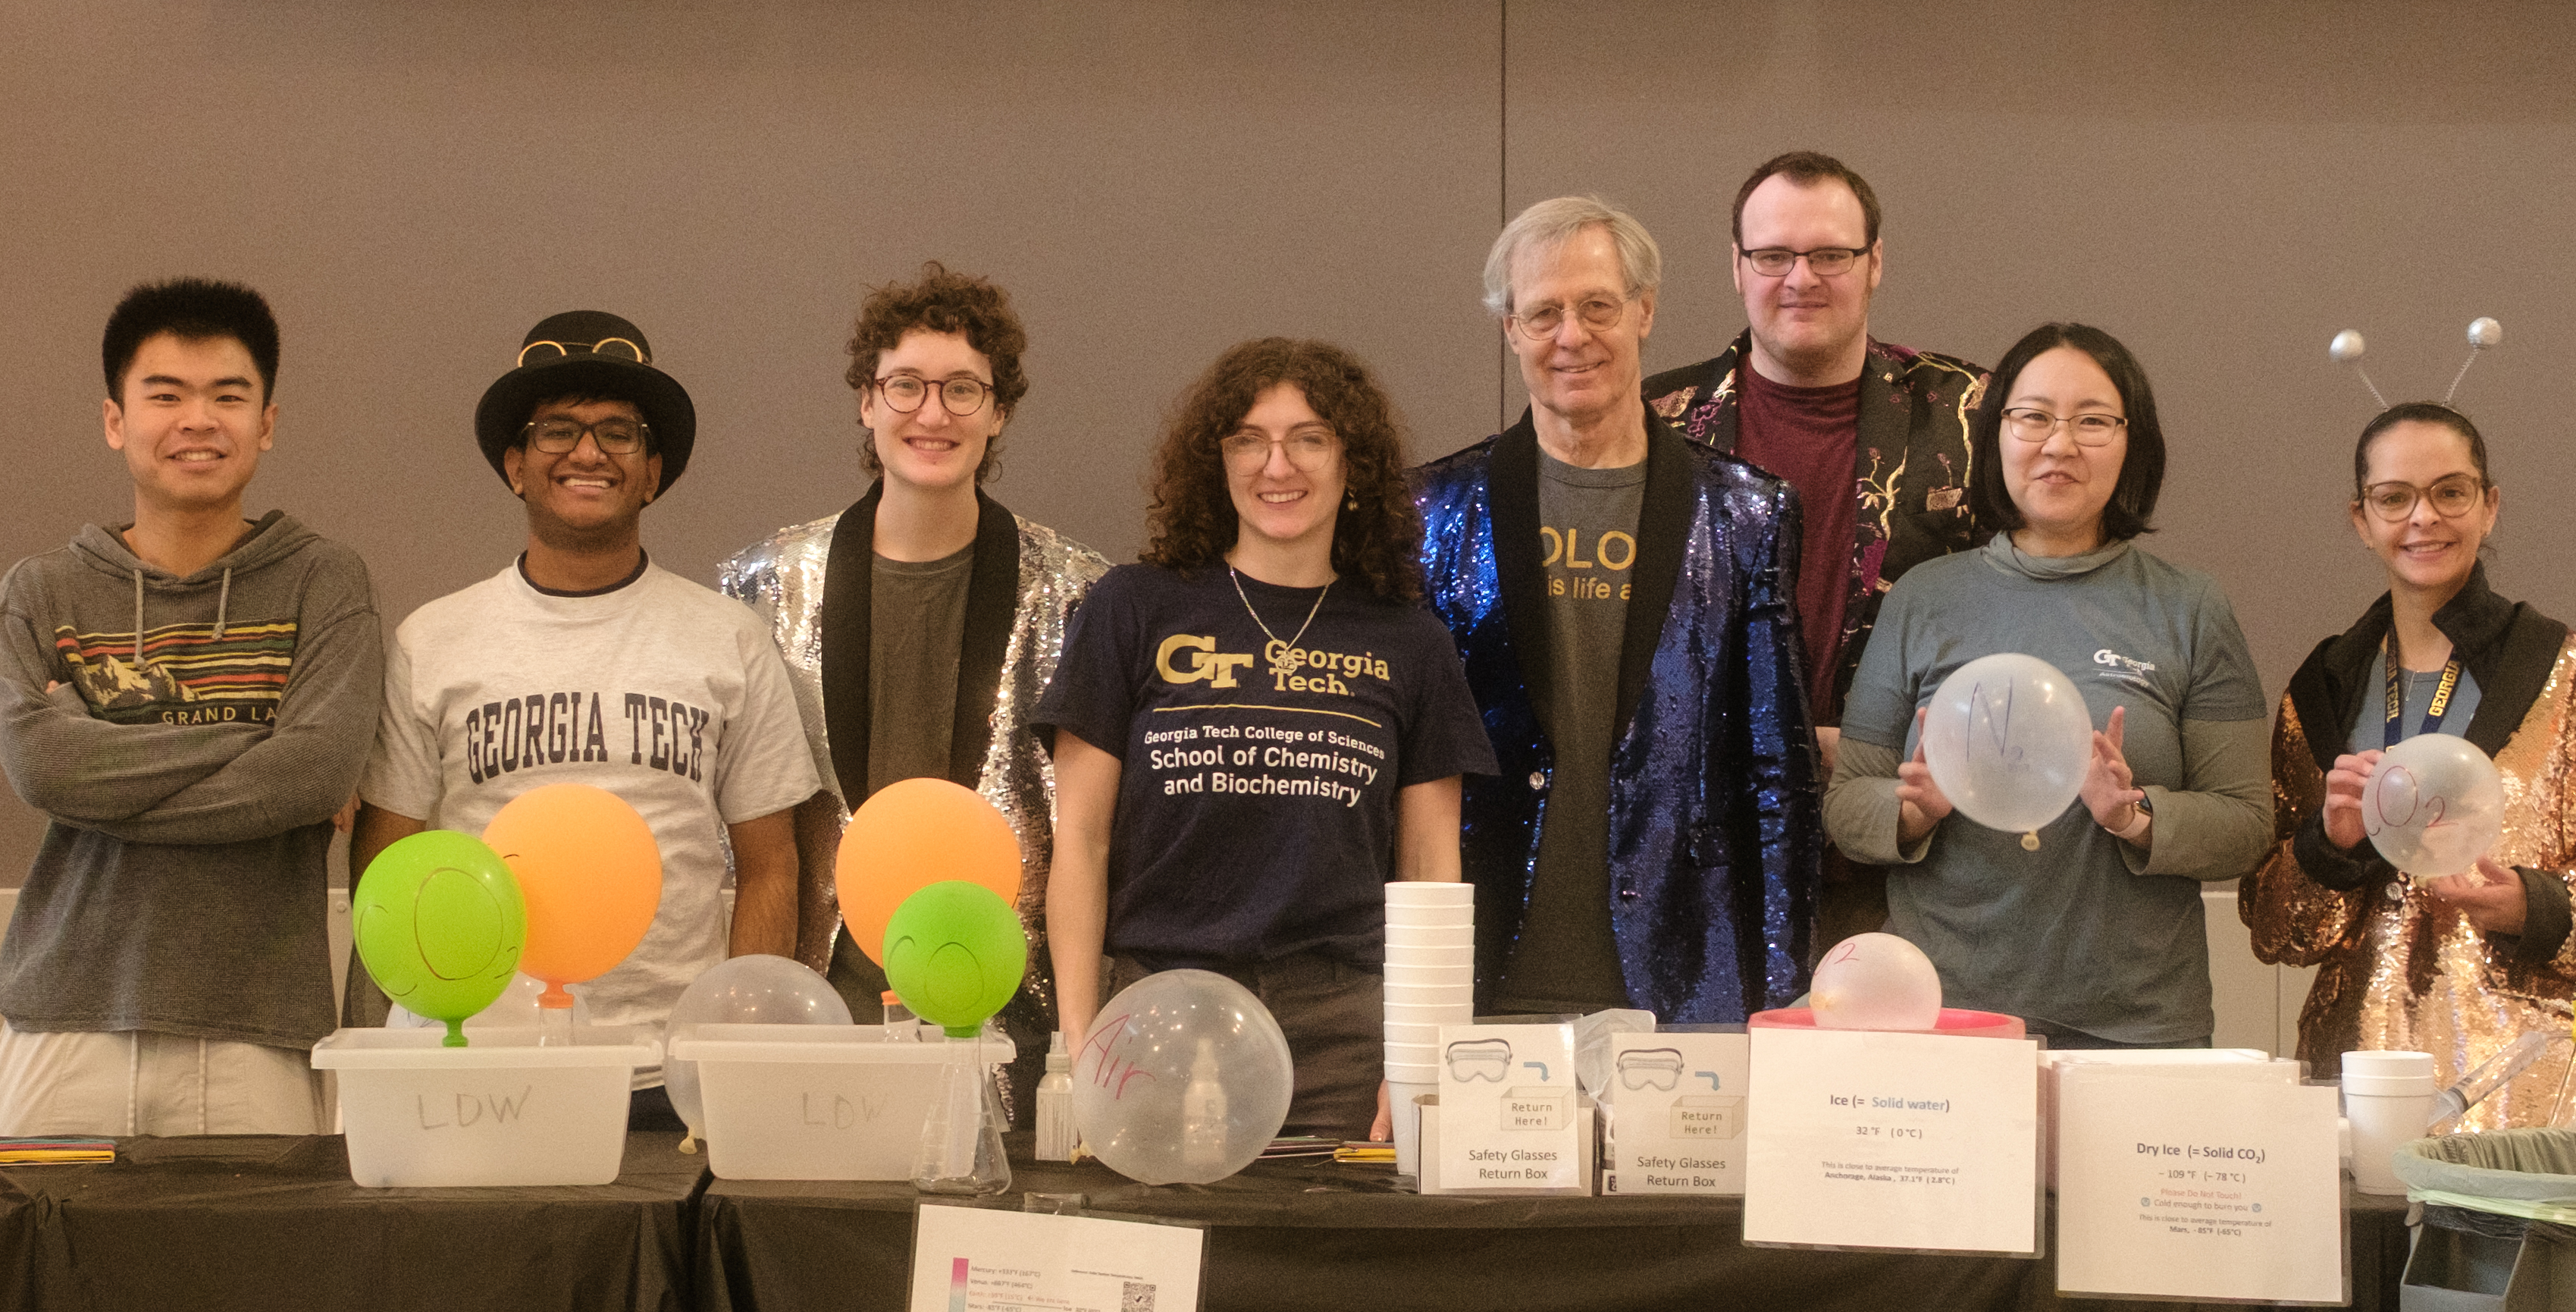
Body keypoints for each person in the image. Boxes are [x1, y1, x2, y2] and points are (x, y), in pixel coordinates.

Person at [0, 278, 380, 1312]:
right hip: (63, 1016)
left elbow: (317, 774)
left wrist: (116, 757)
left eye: (226, 396)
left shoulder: (326, 579)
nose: (194, 420)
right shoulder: (39, 589)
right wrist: (237, 753)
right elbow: (42, 772)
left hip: (254, 1027)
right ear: (113, 419)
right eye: (165, 394)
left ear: (269, 422)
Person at [351, 312, 820, 1097]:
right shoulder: (430, 641)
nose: (588, 452)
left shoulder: (729, 639)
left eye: (618, 433)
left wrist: (729, 1044)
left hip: (670, 1073)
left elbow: (773, 865)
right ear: (516, 465)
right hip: (479, 1066)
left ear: (652, 470)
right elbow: (386, 864)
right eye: (557, 430)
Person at [1038, 337, 1495, 1141]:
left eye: (1308, 438)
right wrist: (1079, 1043)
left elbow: (1430, 870)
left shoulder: (1410, 640)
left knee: (1336, 1262)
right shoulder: (1133, 607)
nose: (1276, 464)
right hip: (1158, 1013)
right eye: (1248, 438)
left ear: (1351, 463)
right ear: (1215, 462)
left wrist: (1420, 1054)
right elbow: (1079, 840)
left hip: (1341, 1031)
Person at [1414, 195, 1820, 1023]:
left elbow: (1778, 772)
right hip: (1484, 967)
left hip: (1683, 972)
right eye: (1544, 312)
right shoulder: (1429, 509)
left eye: (1597, 305)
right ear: (1509, 330)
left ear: (1644, 310)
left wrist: (1783, 997)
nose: (1572, 335)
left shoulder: (1747, 513)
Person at [720, 263, 1106, 1113]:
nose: (932, 413)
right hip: (823, 1028)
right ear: (866, 399)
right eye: (905, 385)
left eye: (962, 389)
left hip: (1012, 1033)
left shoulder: (1081, 596)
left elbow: (1097, 835)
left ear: (999, 411)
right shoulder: (760, 586)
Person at [2241, 401, 2576, 1122]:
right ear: (2361, 520)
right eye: (2395, 498)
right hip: (2352, 1089)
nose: (2424, 518)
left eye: (2451, 492)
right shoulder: (2321, 690)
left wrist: (2534, 903)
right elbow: (2275, 929)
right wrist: (2328, 848)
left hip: (2525, 1096)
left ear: (2490, 506)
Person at [1826, 322, 2270, 1047]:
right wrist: (1915, 809)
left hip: (2136, 1022)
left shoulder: (2190, 607)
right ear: (1996, 433)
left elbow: (2246, 823)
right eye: (2032, 416)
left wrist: (2136, 816)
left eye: (2093, 421)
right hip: (1944, 1015)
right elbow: (1848, 803)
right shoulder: (1922, 597)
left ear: (2134, 443)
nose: (2059, 444)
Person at [1645, 150, 1988, 947]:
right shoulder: (1654, 425)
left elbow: (2023, 609)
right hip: (1707, 861)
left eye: (1830, 254)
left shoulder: (1971, 416)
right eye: (1773, 255)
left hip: (1914, 862)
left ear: (1875, 264)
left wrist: (1870, 750)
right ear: (1737, 266)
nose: (1801, 277)